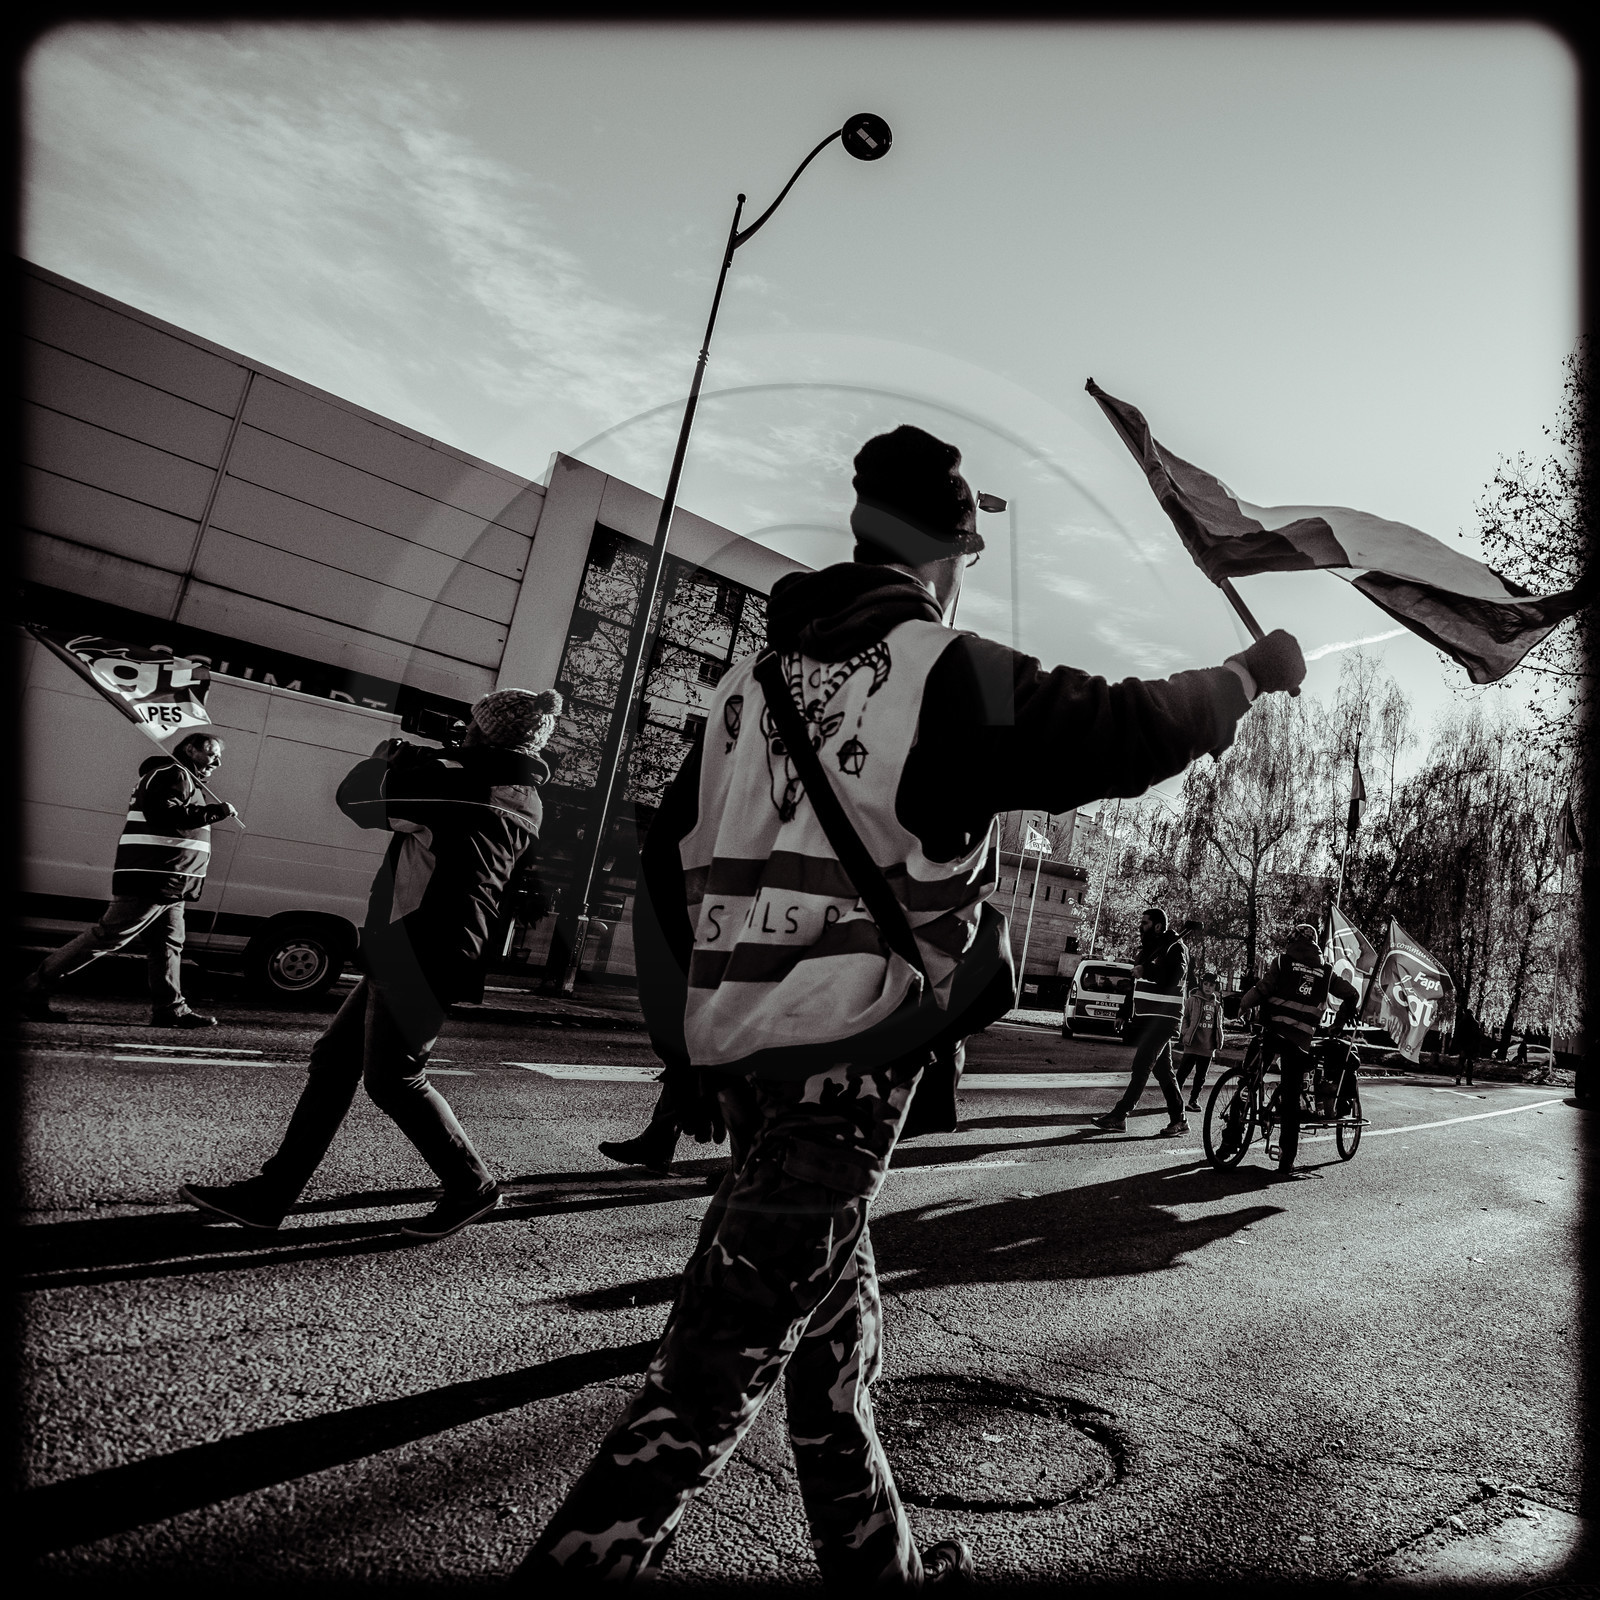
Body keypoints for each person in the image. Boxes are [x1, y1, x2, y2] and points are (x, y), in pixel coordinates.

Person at [516, 423, 1307, 1587]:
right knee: (704, 1385)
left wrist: (680, 1049)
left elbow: (664, 876)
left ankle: (876, 1566)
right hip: (849, 1067)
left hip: (739, 1064)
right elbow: (1124, 731)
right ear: (952, 549)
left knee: (831, 1350)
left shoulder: (741, 689)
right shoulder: (950, 672)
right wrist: (1246, 676)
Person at [180, 688, 559, 1242]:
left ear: (486, 732)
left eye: (474, 725)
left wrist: (388, 757)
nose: (466, 731)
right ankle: (270, 1196)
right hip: (436, 946)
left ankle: (472, 1185)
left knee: (395, 1079)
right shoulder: (522, 795)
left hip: (418, 945)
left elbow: (356, 800)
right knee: (336, 1061)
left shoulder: (460, 785)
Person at [19, 731, 238, 1027]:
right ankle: (32, 988)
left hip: (171, 881)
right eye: (212, 753)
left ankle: (171, 1009)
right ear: (190, 748)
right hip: (153, 878)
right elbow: (164, 815)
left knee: (168, 946)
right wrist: (214, 813)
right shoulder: (171, 773)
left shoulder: (184, 778)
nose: (218, 761)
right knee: (108, 937)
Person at [1230, 922, 1359, 1174]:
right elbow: (1352, 994)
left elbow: (1262, 989)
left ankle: (1230, 1141)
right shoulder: (1327, 971)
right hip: (1299, 1040)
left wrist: (1242, 1006)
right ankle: (1286, 1160)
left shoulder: (1282, 961)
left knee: (1248, 1081)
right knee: (1290, 1100)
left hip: (1272, 1033)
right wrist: (1338, 1025)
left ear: (1293, 939)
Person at [1092, 907, 1190, 1136]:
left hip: (1165, 1019)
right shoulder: (1149, 949)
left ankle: (1120, 1115)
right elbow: (1134, 984)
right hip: (1149, 1018)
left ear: (1157, 925)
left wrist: (1146, 970)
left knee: (1141, 1065)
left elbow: (1174, 978)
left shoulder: (1176, 948)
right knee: (1164, 1072)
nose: (1140, 926)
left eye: (1144, 923)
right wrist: (1123, 1012)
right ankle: (1180, 1120)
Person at [1175, 969, 1225, 1112]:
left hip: (1207, 1047)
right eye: (1206, 984)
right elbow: (1184, 1018)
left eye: (1212, 985)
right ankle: (1174, 1099)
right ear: (1201, 984)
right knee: (1183, 1073)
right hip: (1192, 1044)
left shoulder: (1217, 1005)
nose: (1208, 987)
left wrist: (1218, 1040)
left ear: (1216, 987)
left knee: (1201, 1077)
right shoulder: (1192, 1000)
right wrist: (1184, 1032)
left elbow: (1218, 1025)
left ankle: (1193, 1101)